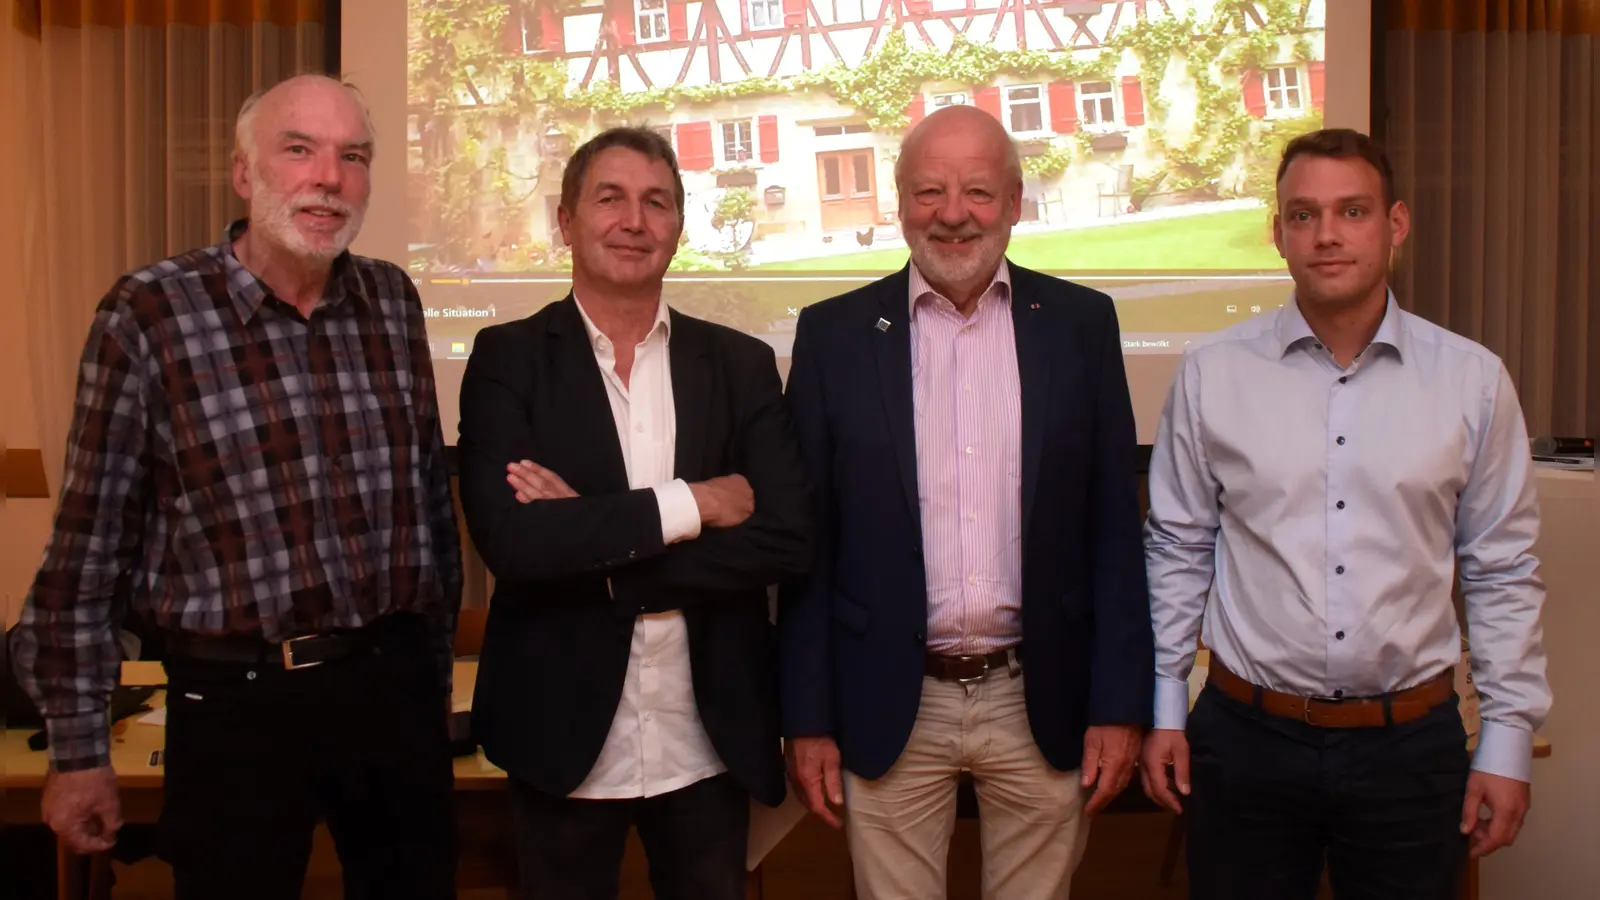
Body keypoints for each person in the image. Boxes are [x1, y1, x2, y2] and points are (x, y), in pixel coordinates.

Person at [8, 74, 463, 899]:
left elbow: (427, 507)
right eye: (300, 150)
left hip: (388, 687)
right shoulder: (148, 314)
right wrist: (78, 753)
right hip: (236, 703)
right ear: (245, 174)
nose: (329, 177)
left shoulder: (391, 299)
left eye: (352, 156)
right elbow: (86, 551)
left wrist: (429, 690)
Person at [1141, 128, 1550, 900]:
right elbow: (1177, 548)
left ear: (1395, 224)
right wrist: (1166, 706)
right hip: (1245, 739)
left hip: (1412, 747)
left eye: (1351, 211)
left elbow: (1503, 570)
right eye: (1303, 215)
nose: (1326, 234)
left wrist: (1507, 739)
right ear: (1278, 235)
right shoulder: (1212, 374)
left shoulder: (1472, 382)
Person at [778, 104, 1153, 900]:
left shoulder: (1082, 326)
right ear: (900, 200)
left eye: (978, 192)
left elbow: (1114, 534)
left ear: (1016, 203)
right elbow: (811, 546)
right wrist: (807, 718)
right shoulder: (833, 336)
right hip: (887, 697)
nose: (953, 214)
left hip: (1039, 697)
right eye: (929, 192)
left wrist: (1120, 704)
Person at [455, 126, 811, 900]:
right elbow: (514, 544)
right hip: (562, 735)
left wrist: (600, 547)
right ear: (566, 221)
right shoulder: (507, 359)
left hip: (708, 740)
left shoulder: (740, 364)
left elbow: (785, 538)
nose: (634, 221)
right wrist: (699, 502)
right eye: (609, 199)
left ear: (679, 227)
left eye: (657, 203)